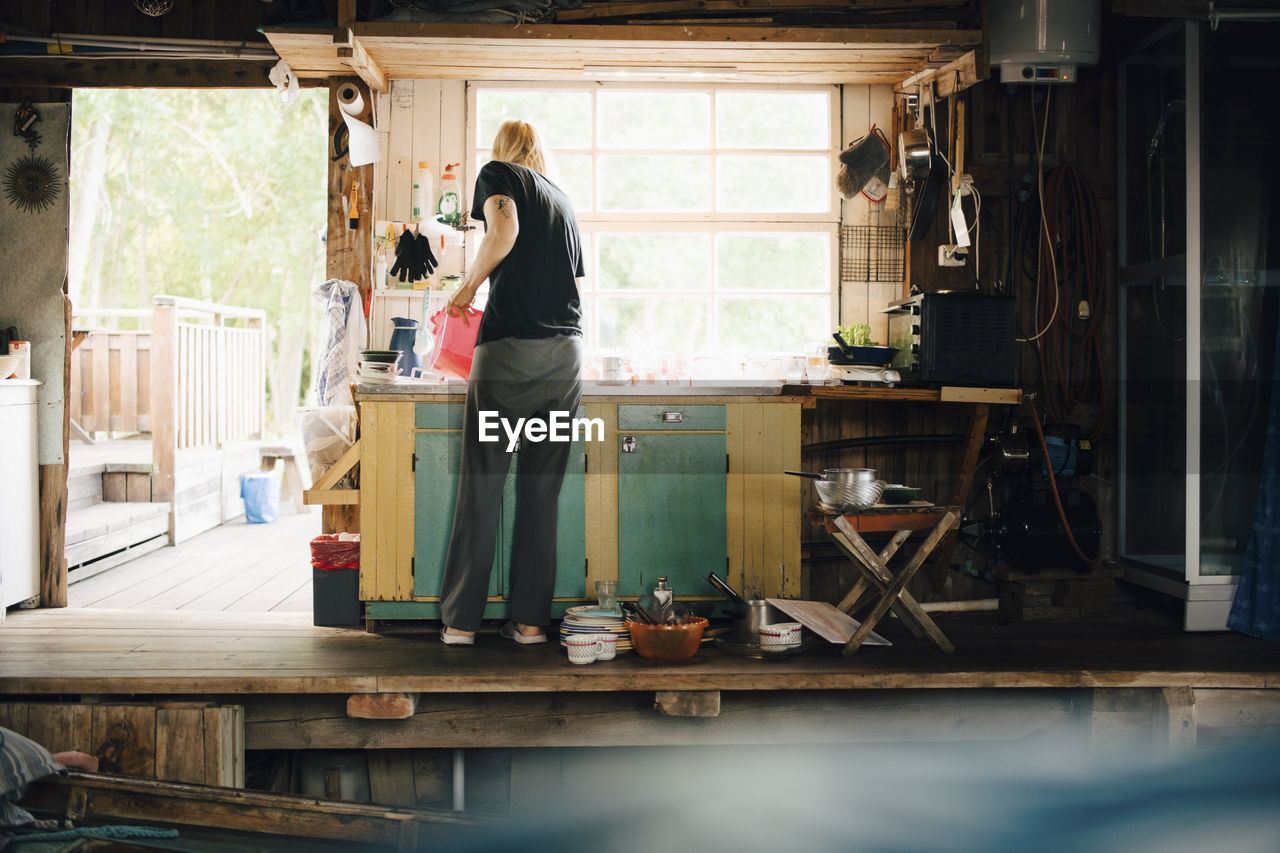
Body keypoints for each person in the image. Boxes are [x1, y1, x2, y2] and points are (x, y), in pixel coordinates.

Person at [439, 120, 584, 646]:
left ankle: (460, 625)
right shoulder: (563, 201)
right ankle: (529, 624)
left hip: (508, 356)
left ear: (503, 152)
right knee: (541, 492)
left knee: (482, 485)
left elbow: (504, 233)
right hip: (565, 358)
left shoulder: (499, 175)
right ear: (539, 151)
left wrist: (466, 287)